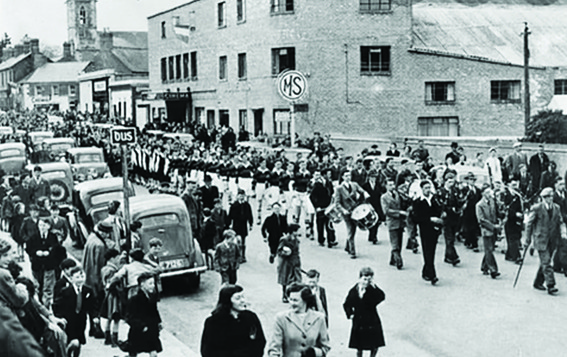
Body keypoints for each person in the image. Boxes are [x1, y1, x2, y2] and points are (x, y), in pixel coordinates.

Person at [201, 284, 266, 357]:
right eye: (238, 298)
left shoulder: (251, 317)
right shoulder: (213, 322)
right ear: (227, 300)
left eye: (243, 297)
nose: (242, 301)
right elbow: (207, 350)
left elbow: (259, 342)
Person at [267, 282, 331, 357]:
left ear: (305, 300)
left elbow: (325, 346)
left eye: (295, 300)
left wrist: (314, 352)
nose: (292, 303)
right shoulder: (281, 319)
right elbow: (274, 348)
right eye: (290, 299)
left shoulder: (319, 318)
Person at [525, 187, 565, 295]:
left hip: (552, 240)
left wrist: (563, 232)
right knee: (547, 262)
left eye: (551, 196)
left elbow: (560, 222)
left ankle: (537, 282)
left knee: (544, 262)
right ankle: (551, 285)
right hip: (541, 239)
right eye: (547, 197)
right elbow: (529, 224)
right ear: (542, 198)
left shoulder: (557, 208)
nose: (549, 199)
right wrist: (527, 239)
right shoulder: (537, 208)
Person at [53, 266, 96, 357]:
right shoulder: (65, 292)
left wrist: (95, 317)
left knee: (79, 341)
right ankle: (68, 353)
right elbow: (56, 305)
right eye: (77, 277)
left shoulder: (87, 291)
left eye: (82, 277)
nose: (80, 280)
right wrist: (59, 317)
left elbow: (92, 306)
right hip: (68, 320)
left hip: (81, 320)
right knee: (72, 341)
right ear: (71, 278)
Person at [343, 267, 386, 357]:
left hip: (372, 319)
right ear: (360, 278)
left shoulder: (372, 290)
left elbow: (381, 297)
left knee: (374, 344)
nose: (366, 282)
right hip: (359, 320)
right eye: (364, 279)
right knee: (359, 345)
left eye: (369, 280)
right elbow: (347, 304)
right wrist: (350, 314)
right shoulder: (354, 290)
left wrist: (375, 287)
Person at [82, 220, 113, 339]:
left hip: (87, 276)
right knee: (97, 306)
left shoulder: (91, 237)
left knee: (90, 305)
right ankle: (97, 329)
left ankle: (91, 328)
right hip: (95, 278)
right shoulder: (100, 245)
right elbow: (100, 266)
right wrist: (101, 281)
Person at [123, 272, 163, 357]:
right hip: (138, 332)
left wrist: (159, 322)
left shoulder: (152, 297)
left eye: (153, 283)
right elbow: (129, 317)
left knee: (153, 353)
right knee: (134, 353)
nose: (153, 286)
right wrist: (141, 326)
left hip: (151, 331)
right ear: (142, 285)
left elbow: (154, 311)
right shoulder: (134, 300)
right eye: (150, 283)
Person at [413, 180, 443, 285]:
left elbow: (439, 210)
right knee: (427, 251)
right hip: (425, 229)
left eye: (429, 187)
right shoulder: (418, 202)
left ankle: (426, 271)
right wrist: (430, 219)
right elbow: (416, 218)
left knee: (432, 251)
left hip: (434, 229)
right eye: (426, 188)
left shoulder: (434, 200)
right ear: (421, 189)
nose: (428, 190)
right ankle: (432, 275)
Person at [26, 217, 59, 310]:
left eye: (44, 225)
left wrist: (49, 252)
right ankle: (40, 303)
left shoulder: (53, 237)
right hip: (37, 266)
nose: (42, 227)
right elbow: (28, 248)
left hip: (49, 265)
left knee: (48, 288)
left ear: (48, 226)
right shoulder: (33, 237)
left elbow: (57, 249)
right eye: (40, 225)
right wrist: (35, 252)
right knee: (38, 287)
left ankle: (46, 306)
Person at [335, 171, 369, 259]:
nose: (348, 177)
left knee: (353, 230)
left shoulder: (354, 184)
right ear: (342, 177)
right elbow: (337, 203)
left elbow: (361, 190)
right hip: (347, 212)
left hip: (355, 211)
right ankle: (352, 251)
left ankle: (348, 246)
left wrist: (365, 193)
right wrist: (343, 210)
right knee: (350, 230)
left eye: (349, 175)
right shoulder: (339, 188)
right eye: (346, 176)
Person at [476, 185, 501, 279]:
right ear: (482, 194)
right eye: (487, 192)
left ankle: (484, 266)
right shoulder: (479, 205)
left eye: (490, 192)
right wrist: (493, 227)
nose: (489, 194)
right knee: (489, 249)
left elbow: (496, 213)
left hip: (494, 229)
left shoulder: (492, 202)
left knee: (489, 249)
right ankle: (493, 269)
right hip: (486, 230)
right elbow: (481, 220)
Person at [380, 179, 407, 269]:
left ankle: (392, 260)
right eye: (390, 185)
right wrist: (399, 212)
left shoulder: (398, 194)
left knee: (399, 242)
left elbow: (405, 201)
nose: (392, 186)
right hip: (392, 222)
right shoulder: (384, 197)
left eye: (393, 184)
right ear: (386, 186)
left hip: (400, 222)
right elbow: (386, 211)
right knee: (394, 243)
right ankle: (399, 261)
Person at [436, 174, 461, 266]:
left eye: (452, 182)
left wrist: (460, 208)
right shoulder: (440, 192)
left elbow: (458, 201)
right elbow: (438, 203)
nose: (451, 184)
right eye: (449, 182)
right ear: (445, 181)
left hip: (455, 217)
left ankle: (447, 256)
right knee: (449, 237)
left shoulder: (455, 191)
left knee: (452, 237)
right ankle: (453, 257)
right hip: (446, 217)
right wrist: (442, 211)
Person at [101, 248, 124, 347]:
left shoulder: (104, 269)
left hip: (107, 295)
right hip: (114, 296)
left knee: (109, 318)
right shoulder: (112, 270)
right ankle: (114, 339)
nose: (119, 259)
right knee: (116, 317)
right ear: (112, 258)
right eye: (117, 257)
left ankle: (107, 338)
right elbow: (113, 284)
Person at [309, 169, 337, 248]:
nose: (330, 175)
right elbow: (312, 196)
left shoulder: (329, 183)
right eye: (328, 174)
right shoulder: (317, 184)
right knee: (320, 224)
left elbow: (331, 193)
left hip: (328, 206)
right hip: (320, 207)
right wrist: (316, 206)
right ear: (323, 175)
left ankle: (331, 240)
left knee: (329, 223)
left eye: (330, 174)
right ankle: (321, 239)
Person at [277, 224, 302, 303]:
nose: (298, 232)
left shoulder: (296, 240)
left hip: (295, 261)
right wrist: (286, 252)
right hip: (286, 262)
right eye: (297, 230)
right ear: (293, 231)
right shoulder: (284, 240)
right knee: (285, 279)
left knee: (297, 279)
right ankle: (284, 294)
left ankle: (294, 295)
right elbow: (279, 251)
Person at [228, 189, 253, 263]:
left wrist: (250, 223)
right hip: (236, 225)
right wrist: (229, 223)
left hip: (243, 225)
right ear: (237, 196)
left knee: (243, 242)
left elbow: (250, 215)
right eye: (240, 195)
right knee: (236, 241)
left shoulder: (247, 205)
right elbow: (230, 215)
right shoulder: (234, 205)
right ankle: (236, 255)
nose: (241, 197)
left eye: (242, 195)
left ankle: (243, 256)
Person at [503, 178, 524, 264]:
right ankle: (516, 257)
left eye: (516, 185)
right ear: (509, 185)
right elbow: (506, 208)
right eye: (513, 185)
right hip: (509, 220)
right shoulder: (505, 195)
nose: (515, 187)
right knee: (512, 238)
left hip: (517, 220)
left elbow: (521, 206)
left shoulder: (518, 196)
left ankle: (509, 255)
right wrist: (515, 214)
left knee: (516, 237)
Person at [362, 169, 384, 245]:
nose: (373, 178)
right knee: (370, 220)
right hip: (369, 205)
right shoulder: (365, 185)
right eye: (372, 177)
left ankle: (374, 236)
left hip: (377, 205)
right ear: (369, 177)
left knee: (377, 221)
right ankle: (371, 234)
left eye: (374, 177)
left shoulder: (378, 185)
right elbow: (363, 196)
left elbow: (381, 193)